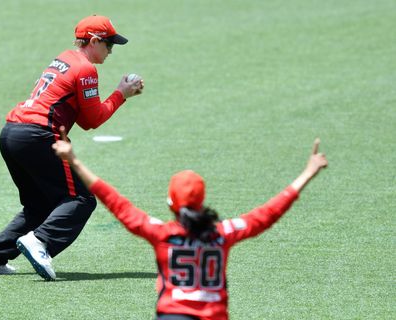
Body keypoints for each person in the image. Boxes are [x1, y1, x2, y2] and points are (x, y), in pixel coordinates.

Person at [52, 127, 328, 320]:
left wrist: (74, 160)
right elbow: (268, 213)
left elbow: (116, 202)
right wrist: (307, 172)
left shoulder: (161, 234)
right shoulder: (223, 233)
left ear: (171, 203)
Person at [0, 15, 144, 281]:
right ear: (94, 41)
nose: (111, 51)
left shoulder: (64, 58)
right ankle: (40, 242)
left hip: (11, 133)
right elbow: (94, 120)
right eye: (108, 44)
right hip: (38, 135)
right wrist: (121, 93)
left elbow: (85, 120)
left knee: (40, 205)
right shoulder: (86, 69)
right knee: (81, 199)